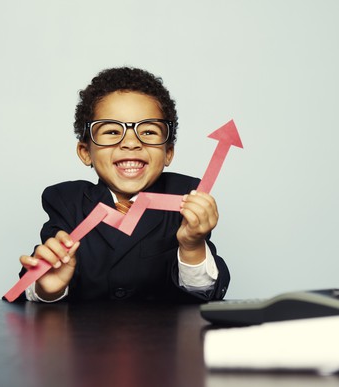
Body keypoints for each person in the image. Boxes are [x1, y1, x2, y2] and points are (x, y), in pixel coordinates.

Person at [18, 67, 230, 303]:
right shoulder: (67, 202)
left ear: (168, 152)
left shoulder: (186, 198)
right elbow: (28, 287)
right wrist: (48, 289)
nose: (130, 142)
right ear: (85, 152)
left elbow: (205, 293)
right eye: (111, 131)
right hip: (85, 338)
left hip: (164, 338)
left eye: (149, 131)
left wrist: (192, 247)